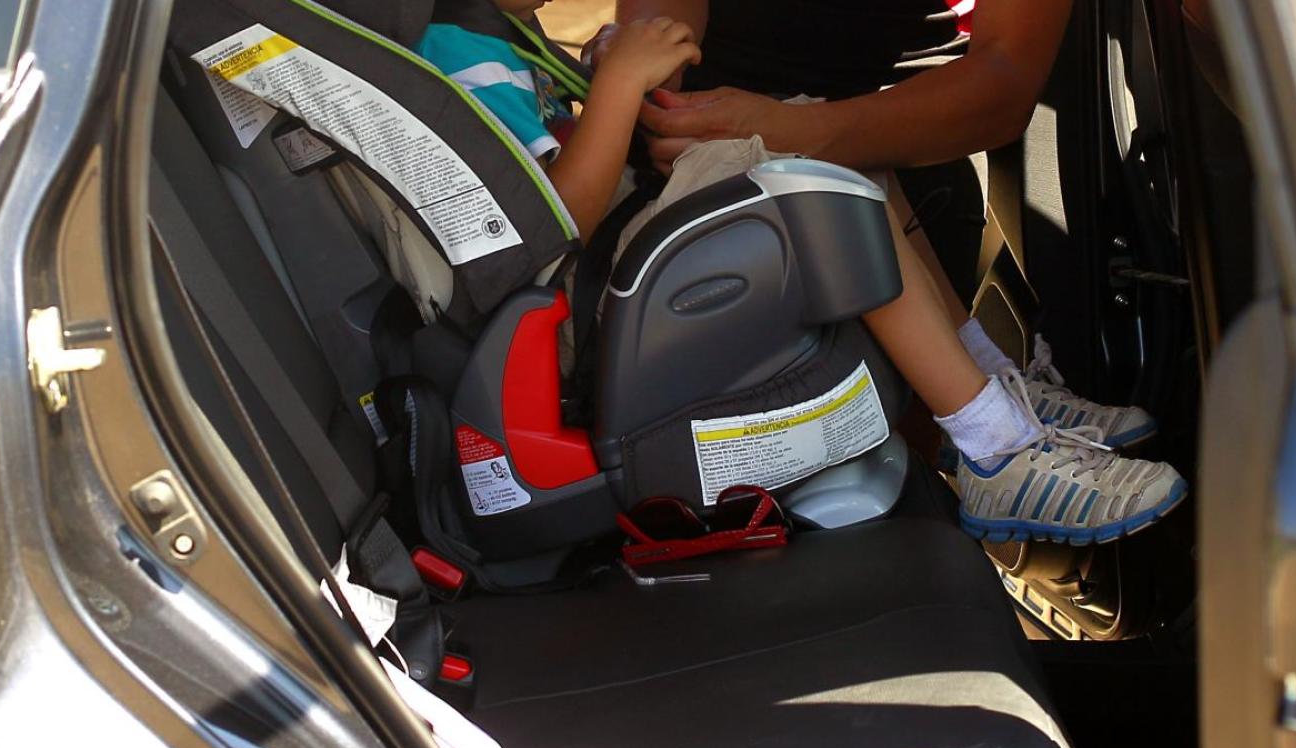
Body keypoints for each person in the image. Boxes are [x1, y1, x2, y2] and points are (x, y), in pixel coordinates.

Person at [419, 0, 1186, 544]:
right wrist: (621, 88)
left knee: (844, 156)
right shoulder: (460, 50)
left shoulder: (503, 37)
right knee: (807, 181)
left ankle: (991, 384)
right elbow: (547, 225)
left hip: (611, 263)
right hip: (584, 304)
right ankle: (994, 451)